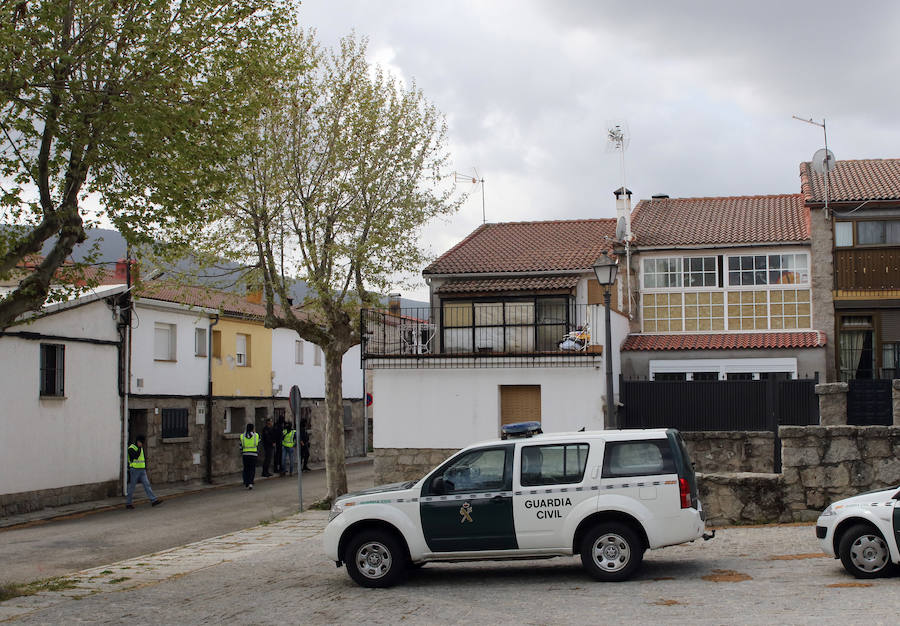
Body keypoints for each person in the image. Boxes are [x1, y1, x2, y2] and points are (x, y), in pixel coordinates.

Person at [126, 435, 162, 509]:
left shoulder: (140, 447)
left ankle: (153, 500)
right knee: (132, 487)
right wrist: (139, 447)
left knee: (147, 485)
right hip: (134, 470)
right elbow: (136, 456)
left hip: (142, 470)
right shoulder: (131, 448)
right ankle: (128, 503)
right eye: (141, 442)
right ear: (138, 441)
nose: (141, 444)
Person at [240, 423, 260, 489]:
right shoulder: (256, 435)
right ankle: (251, 482)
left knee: (246, 468)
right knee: (252, 468)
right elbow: (257, 443)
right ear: (253, 428)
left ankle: (246, 482)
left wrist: (242, 452)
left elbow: (240, 446)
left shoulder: (242, 436)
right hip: (253, 454)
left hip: (245, 454)